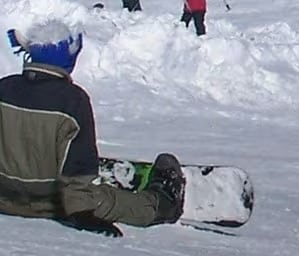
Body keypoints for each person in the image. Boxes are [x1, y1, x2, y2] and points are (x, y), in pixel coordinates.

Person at [0, 21, 185, 235]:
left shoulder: (3, 88)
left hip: (4, 197)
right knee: (111, 200)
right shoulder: (73, 100)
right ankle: (161, 203)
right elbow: (77, 170)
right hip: (51, 203)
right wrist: (82, 213)